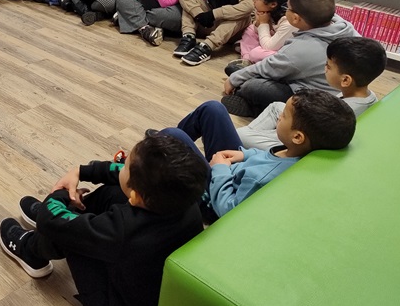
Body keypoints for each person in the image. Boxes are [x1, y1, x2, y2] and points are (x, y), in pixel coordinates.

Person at [0, 135, 208, 306]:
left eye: (126, 165)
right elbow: (125, 177)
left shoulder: (122, 230)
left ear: (136, 197)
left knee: (71, 235)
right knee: (113, 193)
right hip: (152, 290)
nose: (122, 166)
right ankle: (65, 214)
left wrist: (61, 195)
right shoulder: (185, 200)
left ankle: (31, 250)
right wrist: (81, 171)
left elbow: (49, 220)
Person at [146, 89, 356, 219]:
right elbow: (267, 158)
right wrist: (245, 155)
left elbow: (228, 210)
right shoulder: (296, 151)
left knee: (174, 135)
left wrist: (220, 169)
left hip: (215, 196)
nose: (278, 118)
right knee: (213, 109)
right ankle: (164, 143)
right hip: (235, 169)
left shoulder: (262, 178)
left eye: (284, 116)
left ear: (298, 137)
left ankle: (161, 147)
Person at [222, 0, 358, 117]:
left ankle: (257, 108)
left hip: (313, 97)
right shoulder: (344, 25)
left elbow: (269, 66)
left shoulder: (302, 48)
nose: (285, 10)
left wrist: (233, 80)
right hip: (319, 83)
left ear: (295, 18)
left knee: (252, 87)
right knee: (248, 73)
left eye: (287, 8)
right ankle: (245, 80)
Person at [237, 36, 386, 150]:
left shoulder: (343, 112)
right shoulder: (366, 96)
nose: (325, 68)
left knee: (241, 135)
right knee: (275, 106)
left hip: (298, 144)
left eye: (328, 66)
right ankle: (249, 135)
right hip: (307, 127)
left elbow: (306, 135)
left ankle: (244, 140)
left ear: (345, 80)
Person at [225, 0, 297, 76]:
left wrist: (263, 23)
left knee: (256, 53)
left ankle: (252, 63)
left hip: (284, 51)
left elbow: (269, 47)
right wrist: (259, 23)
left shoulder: (288, 22)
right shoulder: (268, 11)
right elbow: (256, 30)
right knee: (250, 30)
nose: (253, 0)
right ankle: (246, 61)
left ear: (273, 4)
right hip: (273, 41)